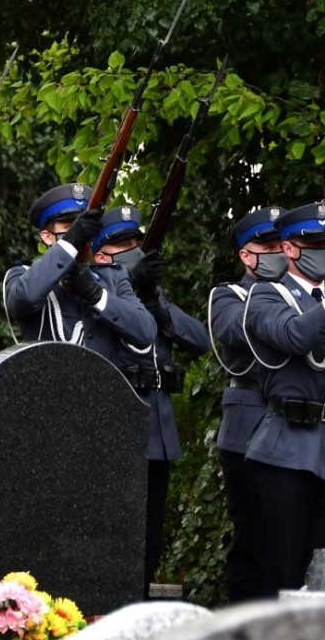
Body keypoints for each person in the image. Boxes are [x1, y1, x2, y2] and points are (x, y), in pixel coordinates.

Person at [91, 205, 210, 596]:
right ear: (100, 253)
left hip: (156, 432)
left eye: (136, 242)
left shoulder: (151, 295)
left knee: (150, 540)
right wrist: (129, 289)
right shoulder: (97, 294)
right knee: (112, 538)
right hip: (116, 429)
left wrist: (158, 307)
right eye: (122, 243)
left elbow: (200, 339)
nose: (132, 249)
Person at [242, 201, 325, 596]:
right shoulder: (264, 295)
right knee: (284, 573)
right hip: (288, 448)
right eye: (318, 243)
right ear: (291, 248)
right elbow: (293, 336)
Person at [208, 207, 286, 602]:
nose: (276, 252)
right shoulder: (228, 296)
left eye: (280, 244)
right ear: (245, 254)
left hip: (295, 429)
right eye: (266, 245)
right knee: (252, 540)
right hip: (249, 428)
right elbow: (239, 331)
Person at [3, 183, 157, 355]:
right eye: (70, 227)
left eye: (84, 228)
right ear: (47, 237)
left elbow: (146, 332)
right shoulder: (23, 274)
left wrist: (96, 294)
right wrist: (71, 240)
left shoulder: (113, 277)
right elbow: (25, 299)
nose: (82, 234)